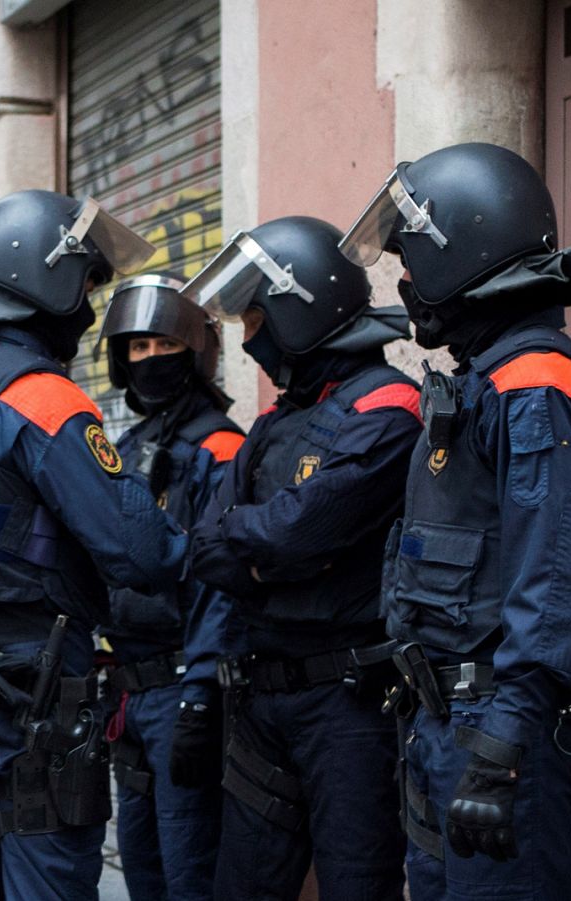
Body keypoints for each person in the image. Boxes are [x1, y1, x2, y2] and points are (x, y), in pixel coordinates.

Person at [0, 189, 188, 899]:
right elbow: (139, 551)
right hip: (34, 692)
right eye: (86, 284)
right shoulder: (39, 395)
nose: (88, 308)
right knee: (46, 883)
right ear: (48, 279)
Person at [339, 142, 571, 900]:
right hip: (443, 725)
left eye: (413, 256)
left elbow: (552, 582)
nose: (404, 280)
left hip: (497, 730)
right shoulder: (484, 379)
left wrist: (503, 742)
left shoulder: (536, 381)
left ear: (468, 251)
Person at [184, 216, 420, 900]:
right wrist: (270, 551)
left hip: (347, 705)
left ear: (300, 303)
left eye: (257, 314)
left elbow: (297, 530)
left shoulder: (388, 407)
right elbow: (205, 545)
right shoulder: (272, 422)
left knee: (356, 883)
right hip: (259, 697)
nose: (250, 334)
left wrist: (263, 548)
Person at [93, 274, 242, 900]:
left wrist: (201, 695)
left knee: (191, 873)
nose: (151, 360)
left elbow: (223, 586)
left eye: (163, 344)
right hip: (129, 695)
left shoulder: (222, 448)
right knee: (143, 869)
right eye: (137, 349)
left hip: (183, 689)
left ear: (196, 348)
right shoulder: (123, 448)